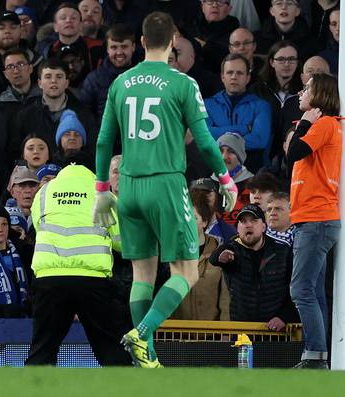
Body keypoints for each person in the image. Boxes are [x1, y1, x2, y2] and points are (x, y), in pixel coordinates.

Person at [92, 12, 238, 368]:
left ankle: (148, 360)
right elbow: (204, 142)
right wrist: (225, 178)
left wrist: (101, 189)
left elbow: (102, 141)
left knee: (142, 274)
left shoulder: (121, 82)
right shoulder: (183, 83)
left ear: (141, 42)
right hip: (167, 184)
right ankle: (143, 334)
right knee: (185, 272)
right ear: (173, 41)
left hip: (129, 186)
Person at [25, 154, 131, 366]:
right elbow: (121, 241)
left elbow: (39, 226)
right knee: (111, 351)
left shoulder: (44, 192)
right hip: (92, 280)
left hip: (50, 279)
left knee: (42, 351)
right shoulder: (102, 192)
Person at [286, 73, 341, 369]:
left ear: (319, 94)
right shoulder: (327, 126)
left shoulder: (324, 124)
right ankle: (318, 356)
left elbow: (295, 152)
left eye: (306, 88)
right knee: (314, 291)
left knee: (301, 290)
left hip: (317, 218)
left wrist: (305, 122)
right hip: (314, 218)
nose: (300, 92)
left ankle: (316, 355)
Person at [210, 204, 297, 327]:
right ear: (238, 228)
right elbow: (214, 259)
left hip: (276, 332)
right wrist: (221, 256)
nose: (248, 225)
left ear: (263, 226)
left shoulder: (283, 252)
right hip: (241, 332)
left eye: (253, 221)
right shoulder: (232, 249)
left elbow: (297, 290)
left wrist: (284, 317)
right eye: (243, 221)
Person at [205, 53, 272, 172]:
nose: (234, 77)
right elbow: (205, 136)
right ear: (222, 77)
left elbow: (259, 141)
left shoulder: (261, 106)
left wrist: (221, 139)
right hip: (216, 171)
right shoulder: (207, 105)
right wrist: (244, 128)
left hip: (252, 172)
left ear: (248, 78)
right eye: (229, 72)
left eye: (239, 73)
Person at [172, 194, 230, 321]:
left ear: (204, 222)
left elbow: (226, 298)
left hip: (211, 334)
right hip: (174, 333)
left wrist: (225, 331)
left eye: (194, 218)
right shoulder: (169, 253)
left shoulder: (220, 252)